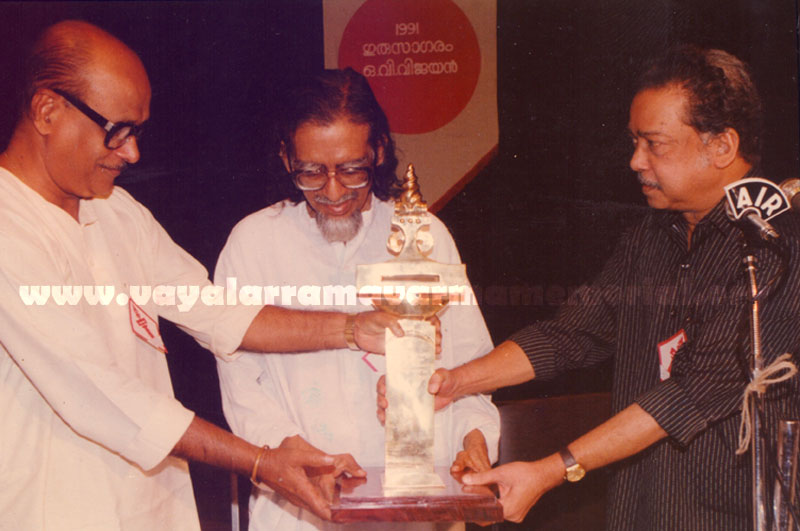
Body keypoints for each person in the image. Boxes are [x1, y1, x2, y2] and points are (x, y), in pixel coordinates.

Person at [0, 20, 402, 530]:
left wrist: (352, 328)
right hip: (56, 508)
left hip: (150, 509)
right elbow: (101, 396)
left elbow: (217, 312)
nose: (132, 153)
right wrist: (261, 462)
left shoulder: (117, 212)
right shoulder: (9, 229)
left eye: (137, 132)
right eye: (117, 131)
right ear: (46, 110)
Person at [380, 46, 800, 530]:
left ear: (722, 146)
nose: (636, 161)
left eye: (655, 144)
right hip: (637, 509)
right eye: (634, 142)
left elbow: (690, 391)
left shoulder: (779, 248)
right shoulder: (650, 236)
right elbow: (572, 334)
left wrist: (550, 471)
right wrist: (452, 383)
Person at [214, 68, 500, 530]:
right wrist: (292, 452)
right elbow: (241, 384)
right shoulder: (254, 243)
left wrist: (475, 440)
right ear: (286, 157)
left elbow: (471, 368)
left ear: (379, 151)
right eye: (311, 172)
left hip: (418, 508)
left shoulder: (422, 235)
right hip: (299, 507)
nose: (332, 192)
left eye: (351, 169)